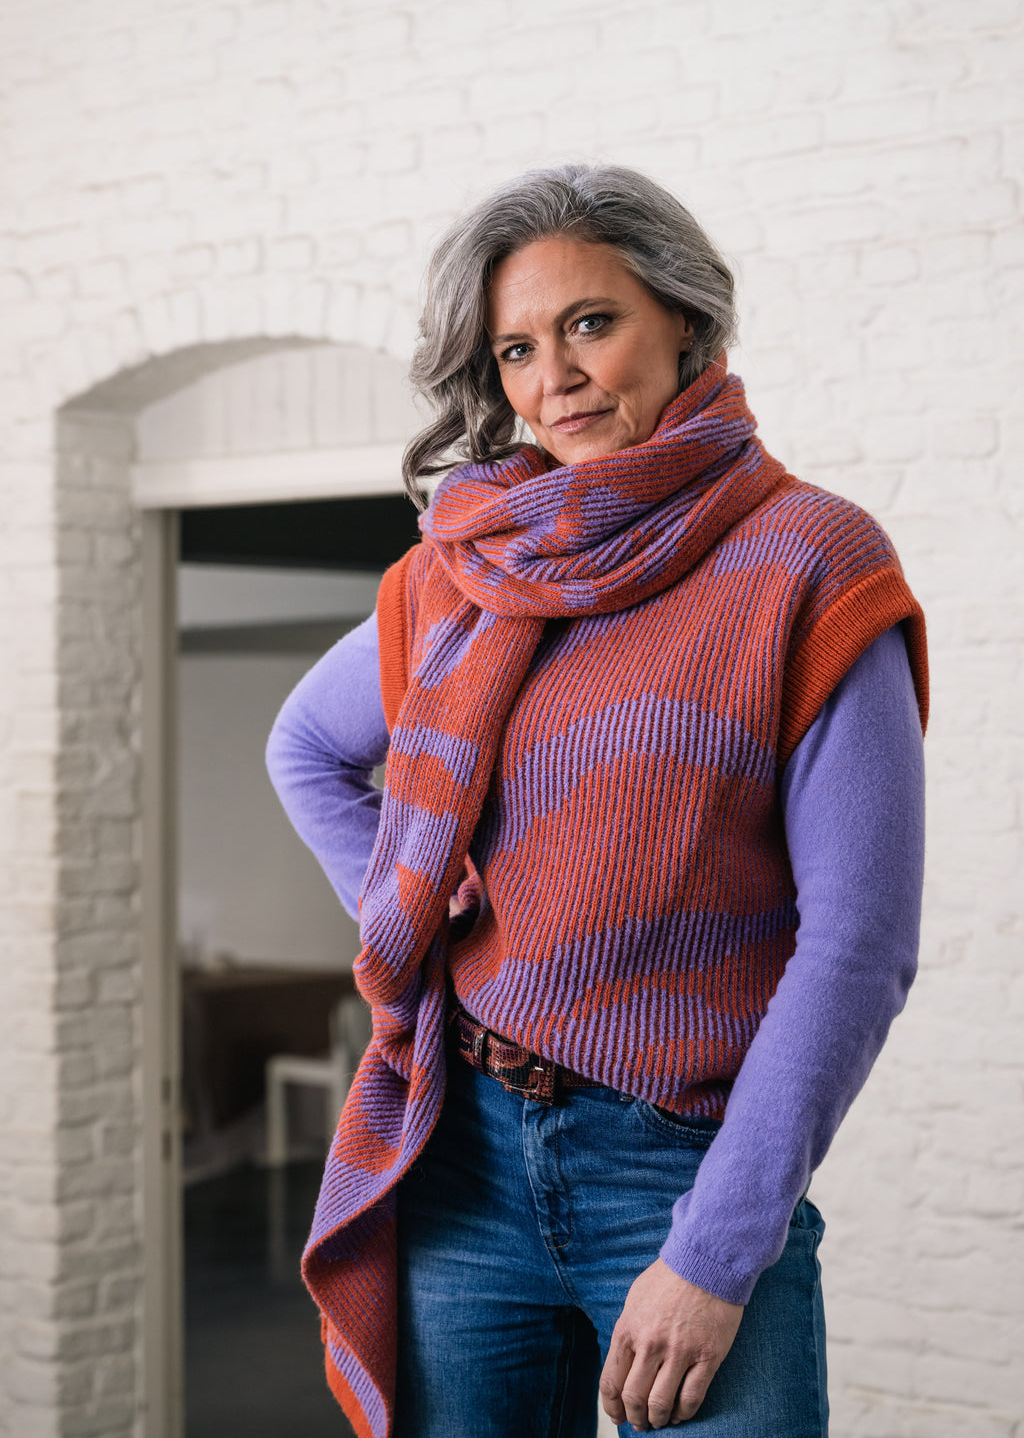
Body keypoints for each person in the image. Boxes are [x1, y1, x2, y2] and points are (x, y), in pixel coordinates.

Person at [266, 163, 927, 1438]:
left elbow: (858, 943)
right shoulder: (468, 568)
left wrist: (715, 1252)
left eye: (588, 322)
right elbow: (310, 745)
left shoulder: (807, 562)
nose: (551, 376)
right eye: (515, 347)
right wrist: (427, 921)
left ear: (683, 318)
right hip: (459, 1160)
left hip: (680, 1170)